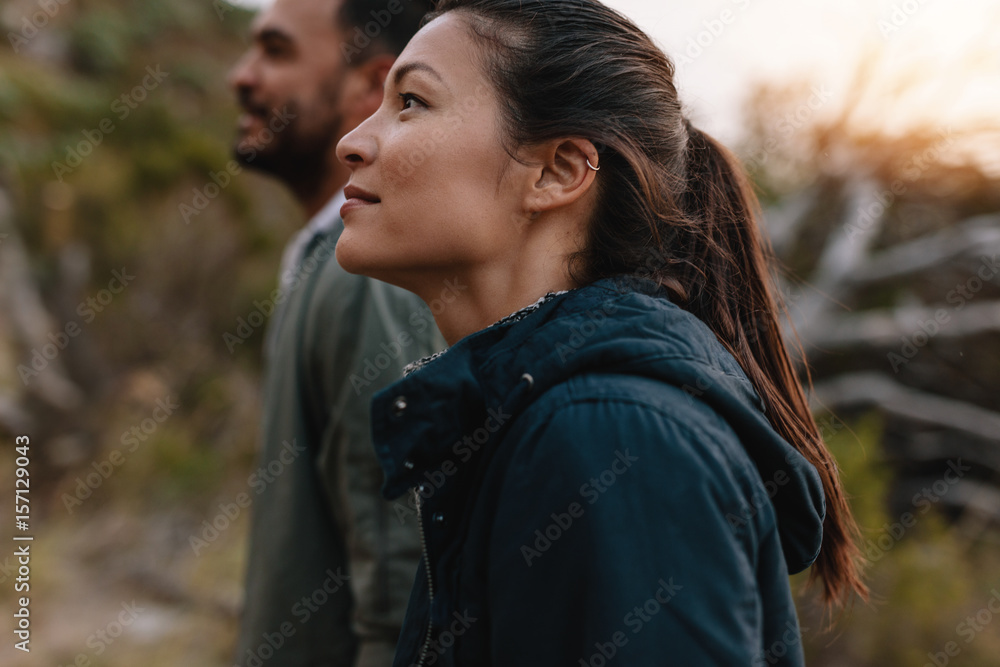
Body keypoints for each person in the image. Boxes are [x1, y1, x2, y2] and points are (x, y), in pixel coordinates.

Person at [334, 0, 868, 664]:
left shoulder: (610, 435)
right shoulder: (535, 418)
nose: (352, 140)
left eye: (411, 101)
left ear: (558, 171)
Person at [227, 1, 442, 665]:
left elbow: (404, 584)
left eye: (276, 51)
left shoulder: (368, 278)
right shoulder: (332, 261)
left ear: (370, 85)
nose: (242, 74)